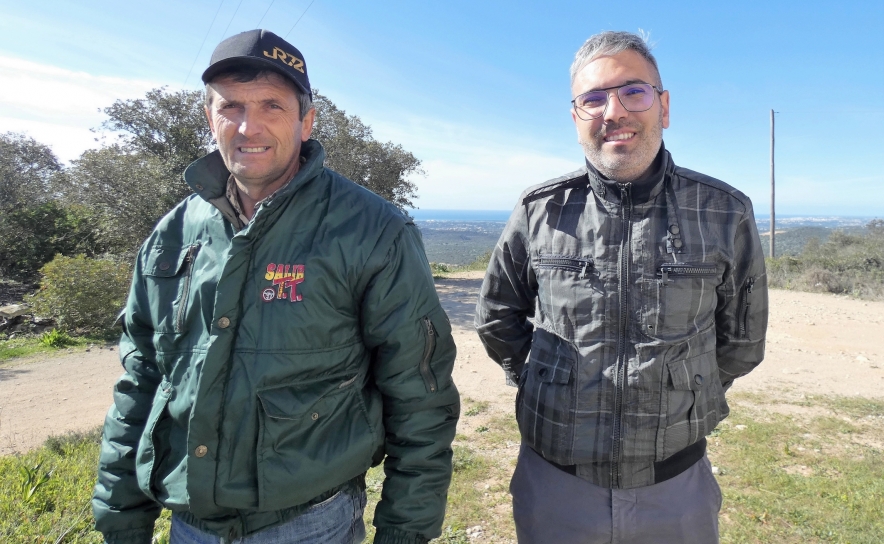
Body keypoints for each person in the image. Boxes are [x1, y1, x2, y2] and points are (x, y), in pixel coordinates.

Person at [93, 29, 459, 544]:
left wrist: (406, 532)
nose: (249, 125)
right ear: (208, 118)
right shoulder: (171, 234)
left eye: (272, 105)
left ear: (306, 121)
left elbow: (420, 397)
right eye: (231, 106)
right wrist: (119, 518)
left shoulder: (372, 231)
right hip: (189, 524)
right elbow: (141, 382)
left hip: (311, 526)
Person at [475, 31, 767, 544]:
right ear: (576, 118)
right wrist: (544, 381)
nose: (613, 111)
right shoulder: (540, 209)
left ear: (664, 105)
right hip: (555, 485)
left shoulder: (725, 211)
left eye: (633, 91)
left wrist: (689, 387)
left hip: (675, 487)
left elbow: (742, 341)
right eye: (593, 98)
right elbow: (497, 315)